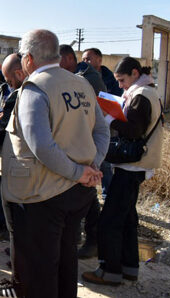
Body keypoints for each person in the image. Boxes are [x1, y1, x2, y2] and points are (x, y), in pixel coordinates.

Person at [0, 29, 109, 297]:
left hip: (45, 194)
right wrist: (90, 168)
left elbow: (41, 146)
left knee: (42, 269)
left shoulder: (35, 88)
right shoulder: (81, 84)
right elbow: (102, 131)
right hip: (78, 192)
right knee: (66, 260)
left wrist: (78, 171)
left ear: (28, 60)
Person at [82, 58, 163, 286]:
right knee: (127, 219)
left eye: (122, 80)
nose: (120, 86)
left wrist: (109, 118)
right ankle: (129, 268)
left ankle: (109, 271)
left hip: (132, 165)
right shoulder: (146, 92)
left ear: (135, 73)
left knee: (110, 220)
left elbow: (135, 130)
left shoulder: (141, 96)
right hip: (136, 165)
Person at [59, 43, 106, 259]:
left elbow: (97, 125)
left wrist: (94, 161)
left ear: (68, 59)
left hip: (88, 148)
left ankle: (94, 240)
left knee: (89, 198)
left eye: (58, 62)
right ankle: (80, 237)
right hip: (78, 150)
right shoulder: (72, 78)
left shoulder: (86, 79)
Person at [0, 53, 27, 297]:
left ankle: (19, 280)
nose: (7, 83)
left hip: (18, 169)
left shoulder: (19, 96)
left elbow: (1, 135)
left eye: (8, 78)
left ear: (20, 73)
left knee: (18, 226)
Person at [82, 47, 120, 201]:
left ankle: (108, 196)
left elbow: (117, 102)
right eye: (83, 59)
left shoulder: (111, 79)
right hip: (90, 128)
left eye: (88, 59)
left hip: (108, 129)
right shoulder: (82, 77)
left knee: (106, 165)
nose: (85, 62)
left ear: (99, 60)